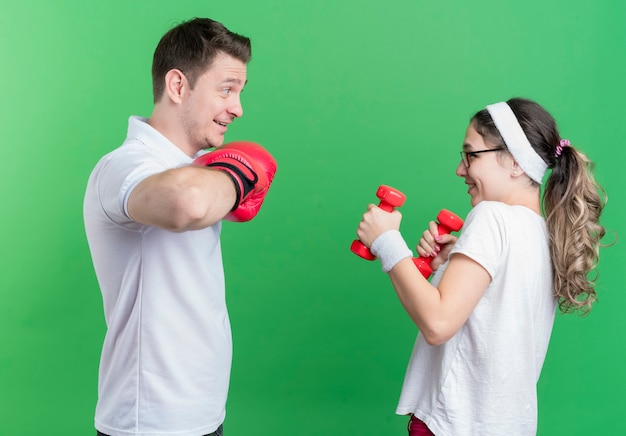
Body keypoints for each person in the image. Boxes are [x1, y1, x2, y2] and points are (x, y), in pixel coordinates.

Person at [355, 97, 606, 435]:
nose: (461, 169)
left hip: (455, 425)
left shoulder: (492, 216)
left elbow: (438, 323)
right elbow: (486, 317)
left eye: (471, 155)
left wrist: (387, 241)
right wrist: (447, 267)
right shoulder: (542, 232)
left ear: (515, 162)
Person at [83, 18, 277, 436]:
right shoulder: (125, 166)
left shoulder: (192, 168)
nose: (237, 108)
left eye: (240, 93)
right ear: (177, 86)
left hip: (201, 412)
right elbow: (188, 204)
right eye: (226, 89)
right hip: (150, 421)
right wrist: (243, 173)